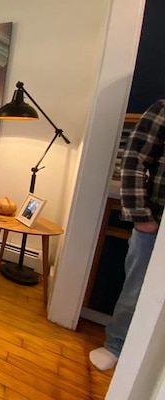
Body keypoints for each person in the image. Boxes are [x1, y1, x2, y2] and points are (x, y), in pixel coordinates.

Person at [89, 99, 165, 371]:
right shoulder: (162, 110)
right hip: (155, 224)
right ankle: (116, 344)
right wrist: (143, 219)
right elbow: (133, 161)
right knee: (135, 290)